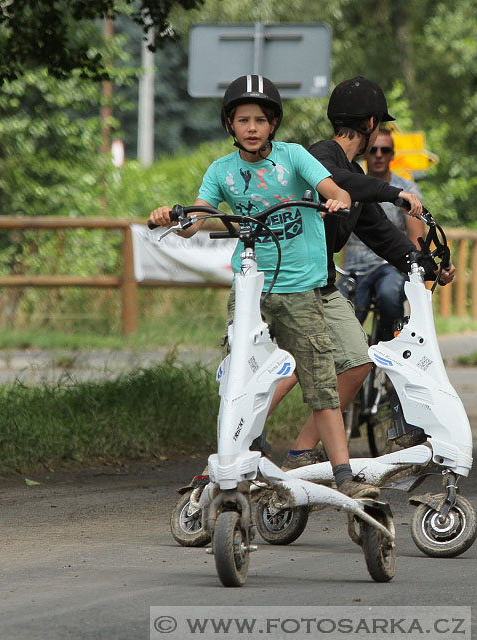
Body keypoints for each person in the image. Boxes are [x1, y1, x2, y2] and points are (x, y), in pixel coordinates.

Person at [147, 75, 377, 499]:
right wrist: (171, 217)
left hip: (302, 289)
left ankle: (343, 473)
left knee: (321, 381)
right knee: (242, 380)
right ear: (230, 126)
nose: (251, 128)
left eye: (259, 120)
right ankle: (228, 460)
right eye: (242, 120)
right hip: (252, 289)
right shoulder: (222, 172)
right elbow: (196, 219)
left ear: (273, 124)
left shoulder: (294, 159)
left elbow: (331, 187)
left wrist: (336, 198)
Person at [272, 77, 456, 467]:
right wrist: (393, 192)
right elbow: (341, 182)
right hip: (290, 285)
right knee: (291, 368)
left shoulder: (351, 173)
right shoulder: (320, 157)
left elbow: (383, 235)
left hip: (320, 286)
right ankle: (235, 443)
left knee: (356, 364)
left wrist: (425, 264)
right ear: (372, 123)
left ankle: (301, 452)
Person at [342, 127, 426, 341]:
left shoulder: (407, 190)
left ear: (392, 155)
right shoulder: (350, 183)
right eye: (374, 149)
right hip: (354, 267)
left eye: (385, 150)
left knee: (389, 296)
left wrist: (419, 282)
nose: (379, 155)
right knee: (344, 314)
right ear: (365, 152)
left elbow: (417, 240)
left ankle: (391, 348)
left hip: (390, 266)